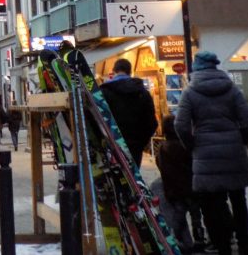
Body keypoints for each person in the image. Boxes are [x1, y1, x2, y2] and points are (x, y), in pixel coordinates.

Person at [175, 51, 248, 255]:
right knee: (238, 200)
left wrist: (192, 144)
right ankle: (244, 242)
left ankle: (222, 244)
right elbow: (245, 119)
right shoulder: (232, 90)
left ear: (196, 68)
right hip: (233, 152)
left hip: (205, 153)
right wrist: (241, 140)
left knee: (213, 204)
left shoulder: (190, 92)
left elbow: (180, 124)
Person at [100, 58, 158, 166]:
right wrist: (141, 143)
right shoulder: (142, 93)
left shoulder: (104, 92)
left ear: (114, 71)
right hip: (135, 145)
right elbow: (152, 123)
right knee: (134, 179)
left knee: (115, 179)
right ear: (130, 71)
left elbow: (98, 118)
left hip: (112, 144)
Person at [156, 115, 196, 252]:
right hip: (188, 187)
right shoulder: (184, 147)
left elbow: (159, 165)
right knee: (193, 212)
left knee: (179, 213)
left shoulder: (162, 148)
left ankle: (177, 237)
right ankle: (197, 237)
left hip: (172, 188)